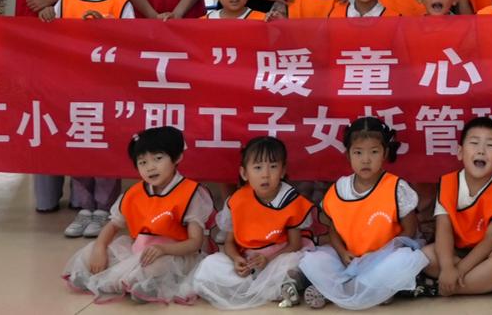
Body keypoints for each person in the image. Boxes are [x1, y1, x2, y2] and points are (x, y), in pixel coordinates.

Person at [10, 0, 112, 217]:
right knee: (44, 108)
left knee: (85, 109)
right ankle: (47, 194)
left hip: (86, 34)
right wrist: (41, 1)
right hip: (38, 30)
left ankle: (86, 196)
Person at [63, 127, 210, 304]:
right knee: (91, 251)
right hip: (140, 250)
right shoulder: (134, 193)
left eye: (158, 158)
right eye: (143, 162)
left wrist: (164, 249)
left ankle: (142, 285)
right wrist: (100, 248)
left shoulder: (191, 193)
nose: (150, 167)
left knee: (156, 266)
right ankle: (120, 280)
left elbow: (195, 243)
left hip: (175, 254)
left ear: (177, 157)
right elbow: (113, 225)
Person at [296, 116, 430, 309]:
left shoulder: (396, 187)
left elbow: (409, 231)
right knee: (314, 260)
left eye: (374, 152)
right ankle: (365, 290)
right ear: (348, 155)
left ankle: (337, 291)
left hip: (383, 257)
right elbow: (333, 229)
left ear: (384, 153)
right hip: (349, 258)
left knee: (403, 260)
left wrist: (379, 255)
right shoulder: (340, 188)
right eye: (358, 152)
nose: (365, 160)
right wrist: (342, 253)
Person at [50, 0, 130, 240]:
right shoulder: (65, 1)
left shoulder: (120, 2)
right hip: (74, 88)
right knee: (80, 144)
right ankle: (84, 206)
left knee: (105, 145)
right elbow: (54, 41)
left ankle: (105, 208)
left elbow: (132, 45)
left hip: (108, 89)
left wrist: (106, 29)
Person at [193, 137, 316, 309]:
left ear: (282, 171)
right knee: (211, 265)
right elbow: (229, 243)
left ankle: (289, 285)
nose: (265, 174)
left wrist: (268, 259)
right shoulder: (237, 201)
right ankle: (275, 288)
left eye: (273, 167)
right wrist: (236, 259)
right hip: (250, 260)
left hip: (279, 256)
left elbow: (295, 245)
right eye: (258, 168)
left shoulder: (292, 200)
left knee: (297, 263)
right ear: (244, 173)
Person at [424, 116, 492, 297]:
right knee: (426, 256)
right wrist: (447, 268)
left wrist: (459, 270)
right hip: (458, 250)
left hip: (490, 251)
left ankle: (439, 287)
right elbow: (443, 229)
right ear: (460, 152)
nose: (481, 150)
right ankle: (490, 284)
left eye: (490, 145)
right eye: (474, 143)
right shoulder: (447, 183)